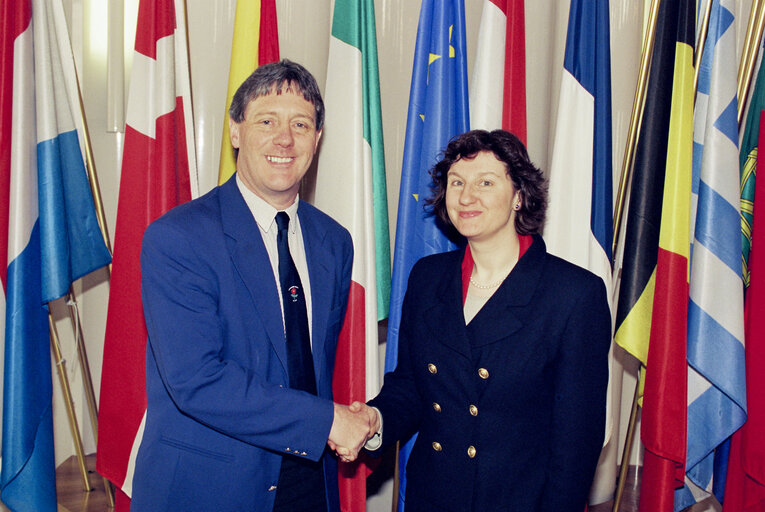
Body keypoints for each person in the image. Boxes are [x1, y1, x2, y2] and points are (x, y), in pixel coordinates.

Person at [131, 60, 377, 512]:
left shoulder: (334, 242)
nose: (284, 139)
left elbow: (310, 366)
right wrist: (327, 422)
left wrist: (340, 423)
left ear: (316, 140)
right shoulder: (178, 238)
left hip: (308, 483)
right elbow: (197, 380)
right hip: (210, 489)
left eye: (300, 125)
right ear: (236, 132)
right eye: (267, 121)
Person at [354, 129, 611, 511]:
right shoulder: (427, 277)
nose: (466, 196)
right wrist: (373, 421)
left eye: (485, 182)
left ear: (519, 196)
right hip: (432, 497)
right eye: (456, 182)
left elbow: (575, 445)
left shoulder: (573, 294)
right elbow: (410, 386)